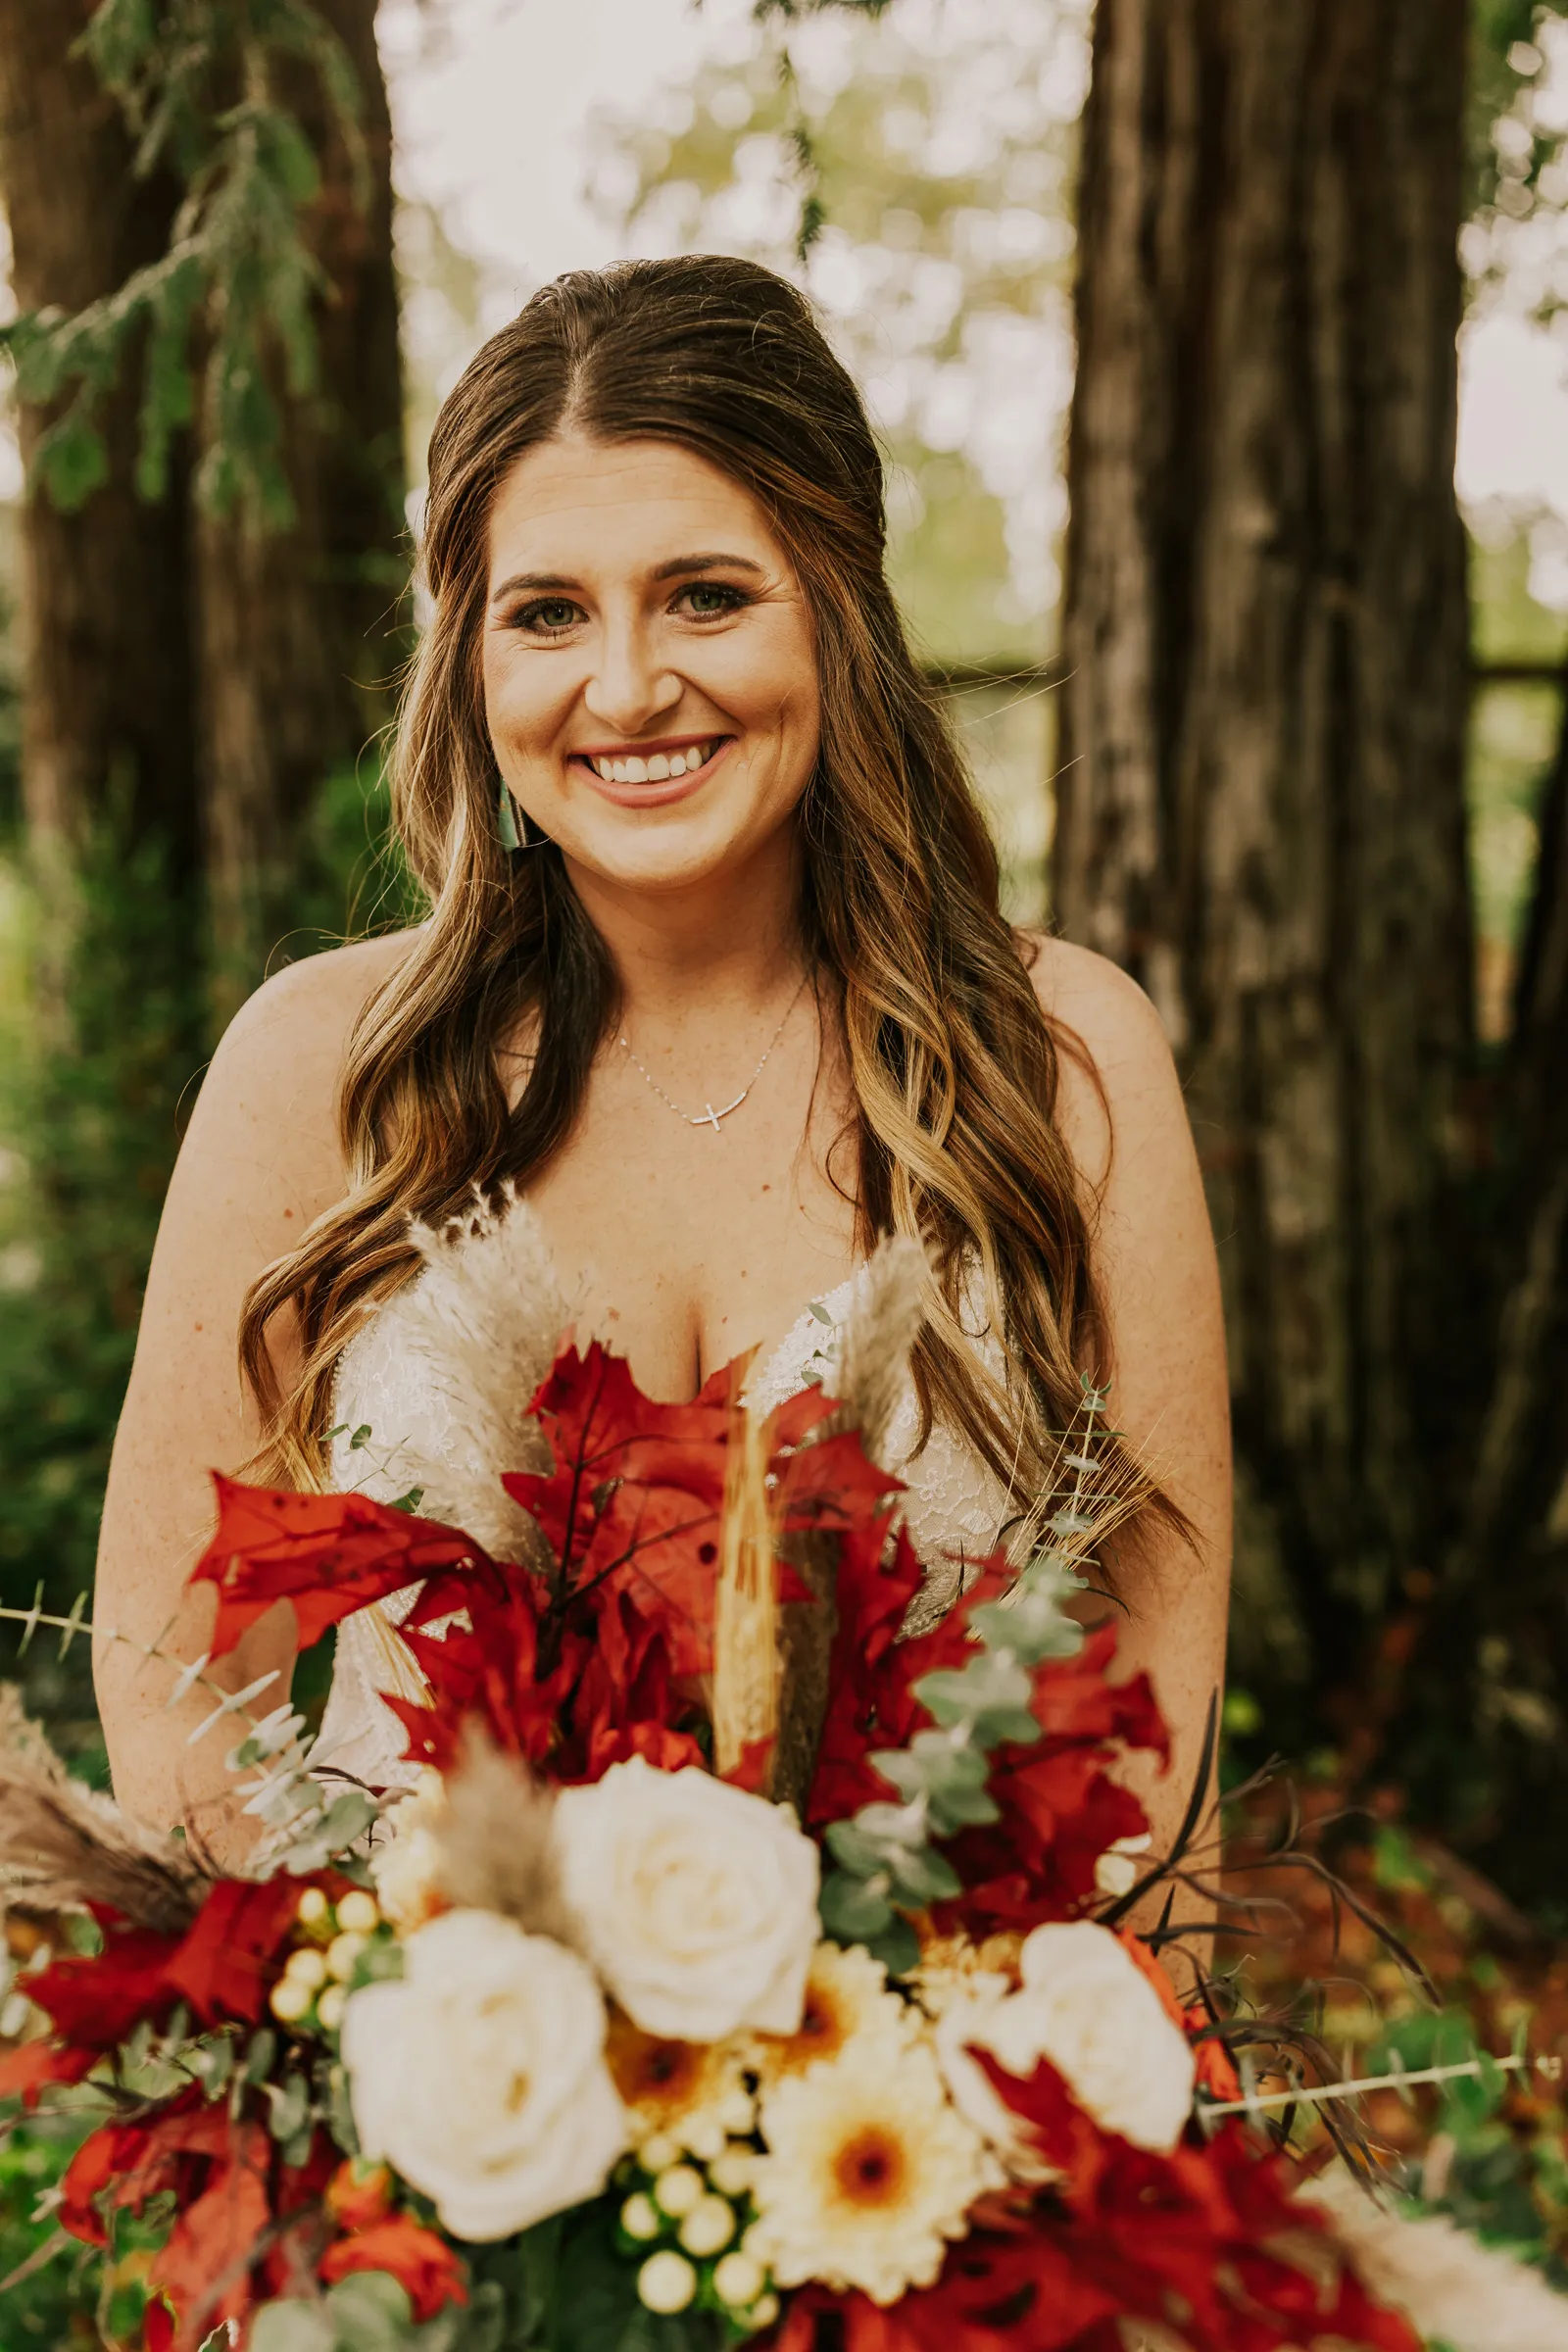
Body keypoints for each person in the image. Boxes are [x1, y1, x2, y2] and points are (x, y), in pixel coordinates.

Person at [93, 255, 1230, 1884]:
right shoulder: (319, 1073)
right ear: (470, 667)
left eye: (706, 594)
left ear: (836, 605)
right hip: (417, 2094)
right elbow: (172, 1679)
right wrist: (328, 2071)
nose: (626, 690)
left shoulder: (1060, 1063)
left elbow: (1155, 1719)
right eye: (547, 614)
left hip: (920, 2116)